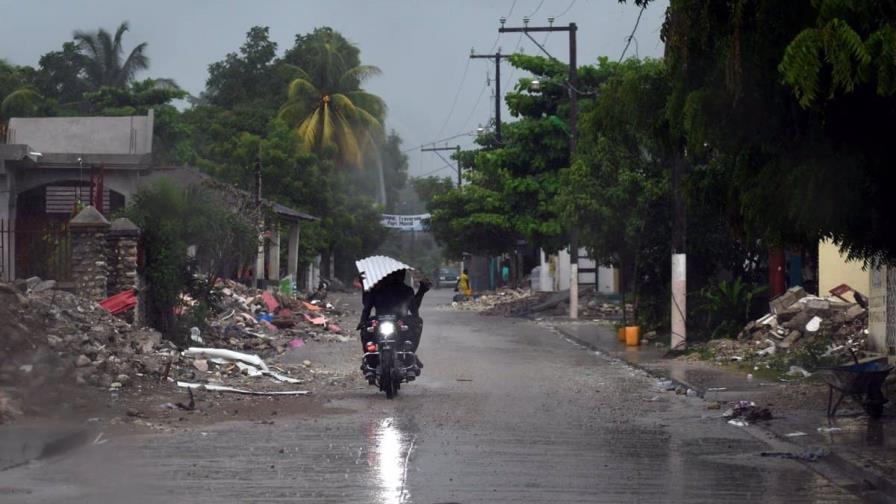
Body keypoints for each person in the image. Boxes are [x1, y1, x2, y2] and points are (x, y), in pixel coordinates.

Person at [357, 270, 431, 378]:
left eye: (397, 275)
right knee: (366, 331)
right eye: (392, 275)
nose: (394, 277)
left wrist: (422, 291)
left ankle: (410, 356)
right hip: (380, 321)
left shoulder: (406, 290)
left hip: (401, 321)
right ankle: (369, 361)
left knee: (414, 328)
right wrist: (363, 322)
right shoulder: (377, 289)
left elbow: (414, 308)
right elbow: (367, 306)